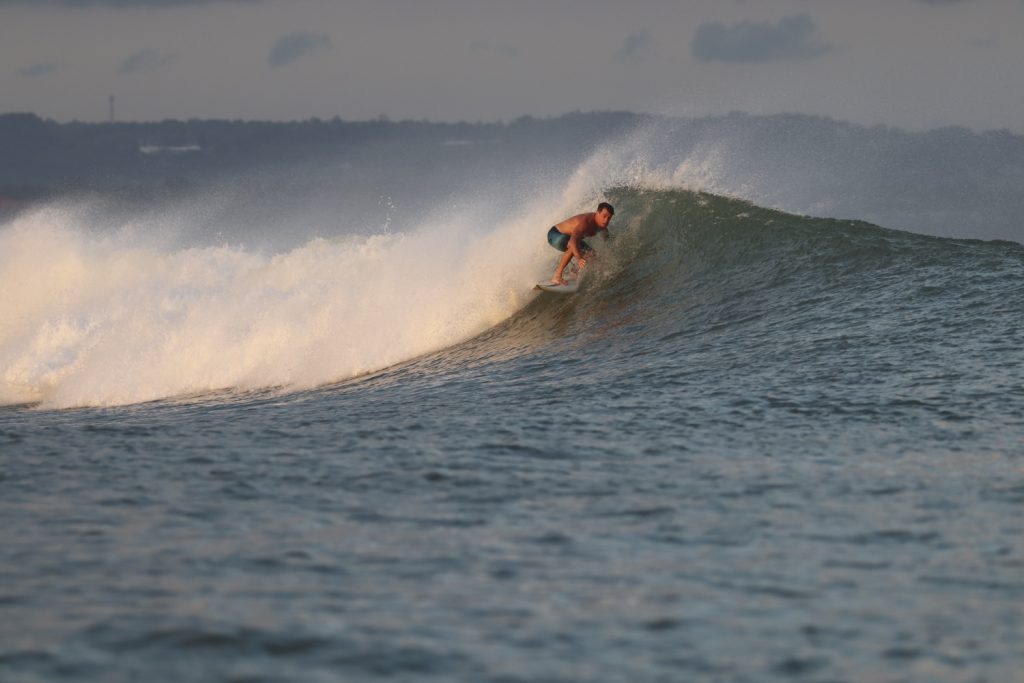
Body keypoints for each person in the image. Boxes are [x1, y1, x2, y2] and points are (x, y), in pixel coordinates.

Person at [546, 202, 614, 285]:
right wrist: (579, 258)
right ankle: (557, 276)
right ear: (597, 212)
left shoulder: (602, 225)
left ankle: (573, 273)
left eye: (609, 218)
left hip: (565, 237)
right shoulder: (586, 222)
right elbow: (572, 241)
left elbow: (605, 233)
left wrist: (607, 241)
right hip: (555, 235)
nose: (606, 220)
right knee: (574, 245)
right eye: (604, 216)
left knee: (591, 253)